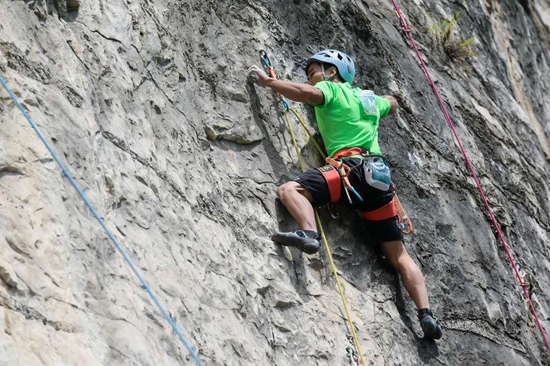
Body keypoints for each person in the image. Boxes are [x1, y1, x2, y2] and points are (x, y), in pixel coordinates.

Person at [248, 49, 442, 340]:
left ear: (332, 72)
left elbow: (303, 93)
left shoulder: (330, 89)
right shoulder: (369, 101)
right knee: (398, 254)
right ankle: (426, 314)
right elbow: (393, 102)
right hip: (378, 178)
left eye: (315, 70)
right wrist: (380, 100)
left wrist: (269, 83)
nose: (311, 76)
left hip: (349, 170)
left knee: (290, 190)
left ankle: (309, 235)